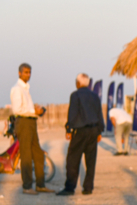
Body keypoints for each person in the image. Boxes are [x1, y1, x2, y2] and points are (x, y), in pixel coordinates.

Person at [57, 73, 104, 196]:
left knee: (73, 159)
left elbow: (72, 114)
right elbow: (99, 114)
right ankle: (88, 188)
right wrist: (100, 131)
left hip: (80, 131)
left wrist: (68, 129)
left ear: (77, 83)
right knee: (91, 160)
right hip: (93, 130)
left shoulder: (75, 95)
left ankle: (70, 188)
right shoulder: (95, 96)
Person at [10, 63, 51, 195]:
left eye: (29, 72)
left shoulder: (26, 89)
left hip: (31, 123)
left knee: (38, 153)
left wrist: (37, 111)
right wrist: (34, 110)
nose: (28, 75)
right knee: (26, 155)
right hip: (24, 123)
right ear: (19, 73)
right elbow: (18, 110)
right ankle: (27, 187)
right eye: (26, 72)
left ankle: (40, 185)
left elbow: (27, 109)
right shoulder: (17, 89)